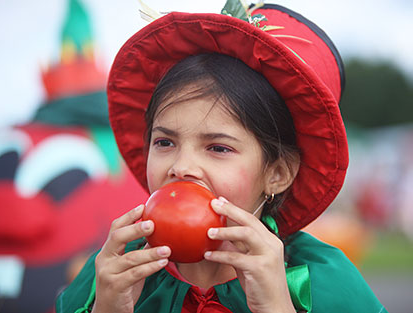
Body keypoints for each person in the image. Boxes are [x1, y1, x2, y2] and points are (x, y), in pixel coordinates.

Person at [56, 2, 387, 313]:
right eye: (164, 142)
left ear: (278, 173)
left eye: (218, 148)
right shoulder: (112, 272)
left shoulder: (323, 282)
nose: (181, 167)